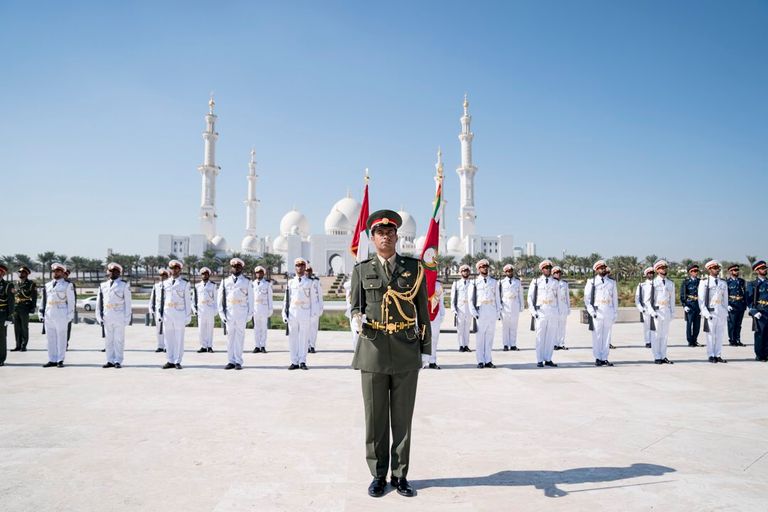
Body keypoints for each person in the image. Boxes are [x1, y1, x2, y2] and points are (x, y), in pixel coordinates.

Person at [350, 209, 431, 498]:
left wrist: (426, 350)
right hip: (372, 351)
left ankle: (400, 475)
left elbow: (423, 312)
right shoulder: (361, 270)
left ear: (397, 236)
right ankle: (378, 474)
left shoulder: (414, 268)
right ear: (372, 238)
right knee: (375, 419)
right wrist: (355, 318)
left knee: (402, 418)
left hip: (406, 349)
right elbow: (356, 305)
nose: (385, 236)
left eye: (390, 232)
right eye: (380, 233)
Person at [95, 262, 132, 368]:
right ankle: (109, 360)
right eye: (110, 271)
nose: (112, 273)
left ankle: (118, 361)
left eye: (115, 271)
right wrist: (98, 316)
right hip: (107, 316)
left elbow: (128, 303)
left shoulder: (124, 285)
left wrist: (127, 318)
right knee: (108, 340)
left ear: (119, 273)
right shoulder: (103, 285)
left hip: (119, 316)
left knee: (118, 340)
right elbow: (99, 303)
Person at [218, 258, 253, 370]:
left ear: (242, 268)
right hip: (229, 313)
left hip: (241, 313)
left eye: (238, 266)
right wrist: (221, 314)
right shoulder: (225, 281)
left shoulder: (247, 281)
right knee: (230, 338)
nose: (236, 268)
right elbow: (220, 299)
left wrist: (249, 314)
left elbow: (251, 299)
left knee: (239, 338)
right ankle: (230, 361)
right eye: (234, 266)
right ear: (231, 268)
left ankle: (238, 361)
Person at [282, 258, 315, 370]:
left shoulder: (310, 282)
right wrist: (284, 313)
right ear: (295, 267)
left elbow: (313, 300)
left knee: (304, 338)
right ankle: (294, 361)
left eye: (301, 265)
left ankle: (302, 361)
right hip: (293, 313)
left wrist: (313, 315)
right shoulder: (290, 282)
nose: (299, 267)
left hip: (305, 312)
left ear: (305, 267)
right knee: (293, 338)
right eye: (297, 265)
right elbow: (286, 300)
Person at [158, 260, 192, 370]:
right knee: (168, 338)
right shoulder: (165, 283)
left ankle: (177, 360)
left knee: (179, 338)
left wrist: (188, 315)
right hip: (167, 313)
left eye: (176, 269)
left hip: (179, 313)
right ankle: (170, 360)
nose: (174, 270)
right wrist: (160, 313)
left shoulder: (185, 283)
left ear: (180, 270)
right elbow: (161, 300)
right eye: (172, 268)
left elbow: (187, 301)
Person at [584, 260, 618, 366]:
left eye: (604, 268)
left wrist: (615, 312)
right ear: (596, 270)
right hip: (597, 312)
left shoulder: (611, 282)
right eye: (600, 268)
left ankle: (605, 358)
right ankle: (598, 358)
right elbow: (587, 299)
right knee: (597, 336)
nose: (603, 270)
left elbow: (615, 298)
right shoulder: (591, 282)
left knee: (607, 336)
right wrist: (591, 312)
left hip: (608, 311)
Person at [41, 263, 75, 368]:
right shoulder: (47, 285)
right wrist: (41, 313)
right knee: (50, 338)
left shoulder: (67, 285)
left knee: (61, 338)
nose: (56, 273)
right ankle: (52, 359)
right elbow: (44, 300)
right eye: (54, 271)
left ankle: (60, 359)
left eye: (58, 271)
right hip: (49, 313)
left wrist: (69, 316)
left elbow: (71, 301)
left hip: (61, 314)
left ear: (62, 273)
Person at [528, 259, 560, 368]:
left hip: (552, 311)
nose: (548, 270)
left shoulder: (555, 282)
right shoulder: (536, 281)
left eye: (549, 268)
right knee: (540, 337)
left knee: (551, 337)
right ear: (542, 270)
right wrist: (533, 312)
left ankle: (548, 358)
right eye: (546, 268)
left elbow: (559, 299)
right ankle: (539, 359)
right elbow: (530, 298)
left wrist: (558, 313)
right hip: (541, 312)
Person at [470, 259, 500, 368]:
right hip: (481, 310)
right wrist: (474, 313)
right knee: (480, 338)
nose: (485, 268)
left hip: (491, 310)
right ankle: (480, 361)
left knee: (489, 337)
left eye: (486, 266)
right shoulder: (474, 282)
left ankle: (488, 360)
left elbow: (497, 298)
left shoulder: (494, 282)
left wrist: (498, 312)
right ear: (479, 269)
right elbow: (470, 299)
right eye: (482, 267)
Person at [645, 260, 676, 364]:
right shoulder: (653, 283)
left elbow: (672, 300)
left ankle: (663, 355)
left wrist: (672, 312)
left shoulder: (670, 283)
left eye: (665, 268)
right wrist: (652, 312)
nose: (664, 270)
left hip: (666, 311)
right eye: (662, 268)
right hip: (657, 312)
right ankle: (657, 356)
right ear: (657, 270)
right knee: (656, 335)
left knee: (665, 335)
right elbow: (647, 300)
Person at [698, 260, 728, 363]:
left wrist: (725, 311)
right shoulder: (704, 282)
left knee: (720, 335)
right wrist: (705, 313)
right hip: (710, 311)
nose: (717, 270)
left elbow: (725, 299)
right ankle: (711, 355)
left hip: (721, 311)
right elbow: (701, 300)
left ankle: (718, 354)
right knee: (710, 335)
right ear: (709, 270)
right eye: (715, 268)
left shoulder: (723, 282)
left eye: (718, 268)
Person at [11, 266, 37, 352]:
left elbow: (34, 296)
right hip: (16, 307)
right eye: (20, 272)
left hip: (25, 307)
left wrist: (33, 307)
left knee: (24, 327)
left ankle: (23, 345)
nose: (21, 274)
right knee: (17, 327)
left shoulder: (31, 284)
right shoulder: (16, 283)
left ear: (26, 274)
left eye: (23, 272)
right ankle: (18, 345)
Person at [747, 260, 768, 362]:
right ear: (757, 270)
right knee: (760, 334)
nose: (765, 270)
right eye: (762, 268)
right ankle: (759, 355)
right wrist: (754, 311)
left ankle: (766, 354)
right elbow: (749, 299)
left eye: (765, 268)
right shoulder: (753, 284)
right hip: (760, 311)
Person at [450, 264, 473, 352]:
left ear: (469, 272)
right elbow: (453, 297)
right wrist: (453, 309)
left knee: (467, 328)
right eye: (463, 271)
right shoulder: (456, 284)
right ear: (461, 273)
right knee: (460, 328)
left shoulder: (472, 283)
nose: (465, 272)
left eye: (467, 271)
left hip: (469, 308)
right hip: (460, 308)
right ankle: (461, 345)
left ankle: (466, 345)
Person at [499, 264, 523, 351]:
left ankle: (513, 344)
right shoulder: (501, 282)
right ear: (505, 272)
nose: (509, 272)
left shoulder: (517, 282)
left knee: (514, 326)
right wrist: (499, 307)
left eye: (511, 271)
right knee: (505, 327)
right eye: (508, 271)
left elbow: (520, 294)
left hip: (515, 305)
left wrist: (521, 306)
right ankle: (505, 344)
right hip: (505, 306)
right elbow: (499, 295)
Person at [194, 267, 218, 353]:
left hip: (210, 309)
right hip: (201, 310)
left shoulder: (213, 285)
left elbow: (216, 298)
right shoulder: (197, 286)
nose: (204, 275)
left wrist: (215, 310)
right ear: (201, 275)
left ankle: (209, 346)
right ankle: (203, 346)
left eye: (206, 274)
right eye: (203, 274)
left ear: (209, 275)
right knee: (201, 329)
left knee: (210, 329)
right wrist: (195, 310)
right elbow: (194, 299)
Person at [251, 265, 273, 353]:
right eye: (257, 273)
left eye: (260, 272)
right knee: (256, 328)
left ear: (263, 274)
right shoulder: (252, 284)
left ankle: (263, 345)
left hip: (264, 308)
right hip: (255, 308)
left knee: (264, 328)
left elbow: (270, 297)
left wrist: (270, 309)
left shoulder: (267, 284)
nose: (258, 274)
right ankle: (257, 346)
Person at [424, 280, 445, 369]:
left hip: (436, 314)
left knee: (434, 338)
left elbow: (441, 301)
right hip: (423, 313)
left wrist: (442, 314)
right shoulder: (420, 283)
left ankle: (432, 361)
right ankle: (423, 361)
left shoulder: (438, 285)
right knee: (423, 338)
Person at [681, 263, 702, 347]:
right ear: (690, 272)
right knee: (689, 324)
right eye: (694, 271)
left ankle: (695, 340)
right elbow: (683, 295)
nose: (695, 272)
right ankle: (690, 341)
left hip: (698, 305)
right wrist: (684, 305)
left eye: (696, 271)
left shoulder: (700, 281)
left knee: (697, 324)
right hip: (690, 305)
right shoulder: (686, 282)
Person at [726, 264, 747, 347]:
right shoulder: (727, 282)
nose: (737, 272)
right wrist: (727, 304)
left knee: (738, 324)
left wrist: (745, 304)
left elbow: (744, 293)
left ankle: (738, 339)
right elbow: (724, 295)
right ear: (730, 271)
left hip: (740, 304)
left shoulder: (742, 281)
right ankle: (732, 340)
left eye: (737, 270)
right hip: (732, 305)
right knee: (732, 324)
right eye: (735, 270)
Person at [149, 269, 169, 353]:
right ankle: (160, 346)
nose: (162, 277)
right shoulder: (156, 286)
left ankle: (167, 346)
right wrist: (151, 309)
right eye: (161, 276)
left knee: (166, 329)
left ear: (167, 277)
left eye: (164, 276)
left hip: (167, 310)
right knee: (158, 329)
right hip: (158, 310)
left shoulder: (169, 286)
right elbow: (152, 298)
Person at [635, 267, 655, 349]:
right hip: (646, 308)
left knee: (656, 326)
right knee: (647, 326)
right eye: (649, 273)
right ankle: (648, 341)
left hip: (655, 308)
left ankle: (654, 341)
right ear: (646, 275)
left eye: (652, 273)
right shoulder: (642, 285)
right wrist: (641, 308)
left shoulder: (657, 284)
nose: (651, 275)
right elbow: (637, 299)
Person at [305, 264, 324, 353]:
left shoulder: (316, 281)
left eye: (309, 271)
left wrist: (321, 308)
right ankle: (306, 345)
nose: (308, 272)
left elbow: (320, 295)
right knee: (305, 328)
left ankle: (312, 345)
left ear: (311, 272)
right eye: (306, 271)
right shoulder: (303, 281)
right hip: (305, 308)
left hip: (315, 307)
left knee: (313, 328)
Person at [552, 266, 571, 351]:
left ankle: (561, 343)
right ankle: (555, 343)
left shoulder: (565, 283)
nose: (558, 274)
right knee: (555, 326)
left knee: (562, 326)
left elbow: (567, 296)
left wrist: (568, 307)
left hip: (563, 307)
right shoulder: (551, 283)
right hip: (555, 307)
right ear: (553, 274)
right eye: (556, 273)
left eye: (559, 273)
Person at [0, 264, 15, 367]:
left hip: (2, 314)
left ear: (2, 273)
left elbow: (11, 301)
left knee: (1, 337)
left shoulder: (8, 285)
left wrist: (10, 316)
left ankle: (1, 358)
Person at [343, 278, 356, 346]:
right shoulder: (350, 283)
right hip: (351, 309)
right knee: (354, 331)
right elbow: (345, 285)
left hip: (358, 309)